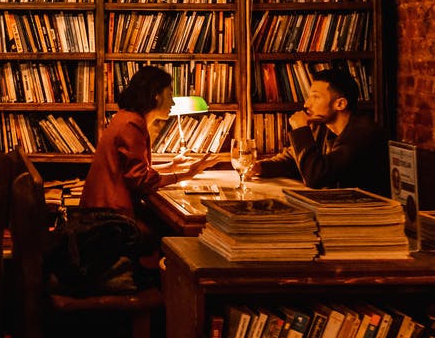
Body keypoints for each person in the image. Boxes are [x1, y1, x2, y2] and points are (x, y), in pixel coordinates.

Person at [80, 66, 217, 239]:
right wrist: (185, 174)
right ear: (156, 95)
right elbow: (140, 180)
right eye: (169, 95)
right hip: (111, 219)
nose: (173, 103)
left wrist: (172, 165)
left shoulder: (125, 117)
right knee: (172, 233)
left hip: (100, 209)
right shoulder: (132, 124)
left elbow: (131, 170)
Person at [251, 66, 389, 193]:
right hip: (336, 209)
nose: (306, 104)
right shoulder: (322, 126)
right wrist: (260, 167)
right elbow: (294, 160)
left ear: (340, 104)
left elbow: (316, 177)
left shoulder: (363, 134)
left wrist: (301, 130)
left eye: (316, 97)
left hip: (364, 214)